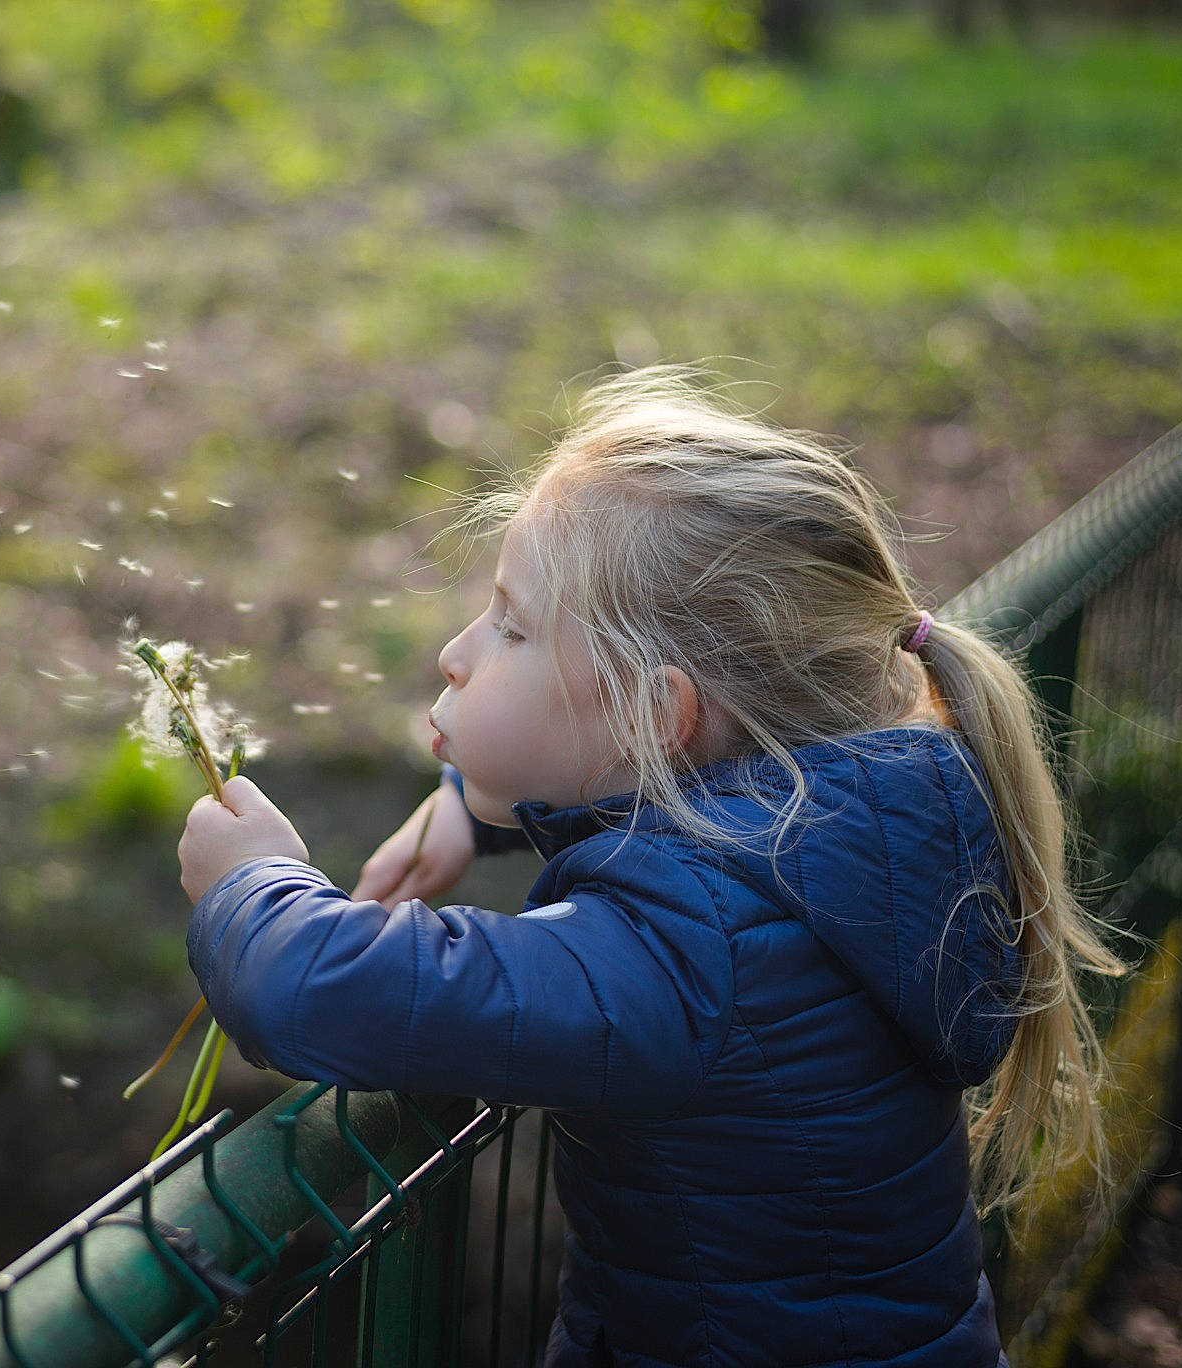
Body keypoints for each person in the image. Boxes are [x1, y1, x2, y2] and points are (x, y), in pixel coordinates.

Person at [173, 368, 1127, 1367]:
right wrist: (467, 811)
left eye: (509, 625)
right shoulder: (855, 839)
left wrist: (251, 887)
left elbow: (333, 991)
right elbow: (678, 804)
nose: (456, 653)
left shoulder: (688, 952)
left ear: (652, 717)